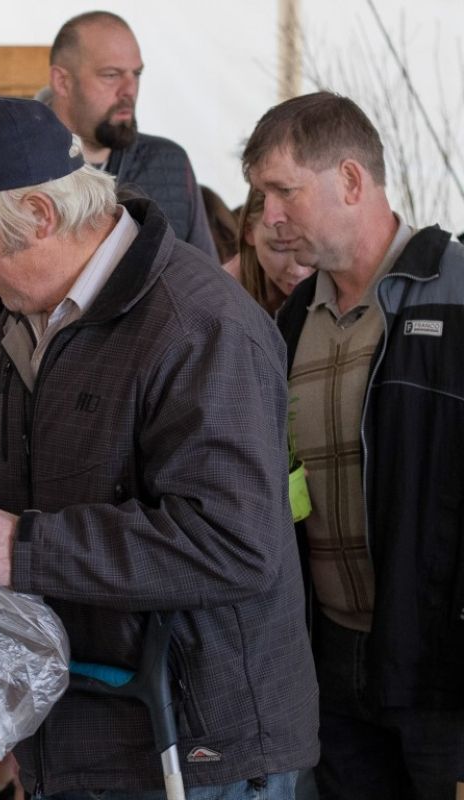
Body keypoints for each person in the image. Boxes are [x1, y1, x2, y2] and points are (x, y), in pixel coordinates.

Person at [0, 95, 318, 798]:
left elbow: (235, 542)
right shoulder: (26, 317)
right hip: (82, 728)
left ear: (38, 216)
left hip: (196, 749)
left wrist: (20, 548)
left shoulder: (201, 327)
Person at [245, 91, 464, 800]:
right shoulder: (288, 324)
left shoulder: (456, 295)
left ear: (349, 179)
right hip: (329, 663)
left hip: (442, 669)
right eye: (261, 196)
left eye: (284, 191)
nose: (269, 217)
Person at [0, 11, 218, 409]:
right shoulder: (3, 163)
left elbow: (206, 286)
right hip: (34, 405)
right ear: (62, 80)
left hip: (153, 400)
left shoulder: (169, 162)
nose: (129, 90)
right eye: (110, 75)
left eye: (136, 74)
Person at [224, 187, 314, 315]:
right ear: (249, 232)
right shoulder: (221, 299)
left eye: (312, 248)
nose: (298, 271)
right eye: (279, 248)